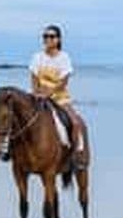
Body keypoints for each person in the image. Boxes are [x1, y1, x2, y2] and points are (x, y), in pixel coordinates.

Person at [29, 24, 86, 162]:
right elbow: (34, 79)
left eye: (51, 36)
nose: (48, 39)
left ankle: (76, 155)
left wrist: (48, 94)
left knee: (75, 122)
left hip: (60, 98)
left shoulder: (64, 57)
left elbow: (63, 82)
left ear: (58, 39)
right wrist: (36, 93)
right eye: (45, 36)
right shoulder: (37, 57)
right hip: (38, 97)